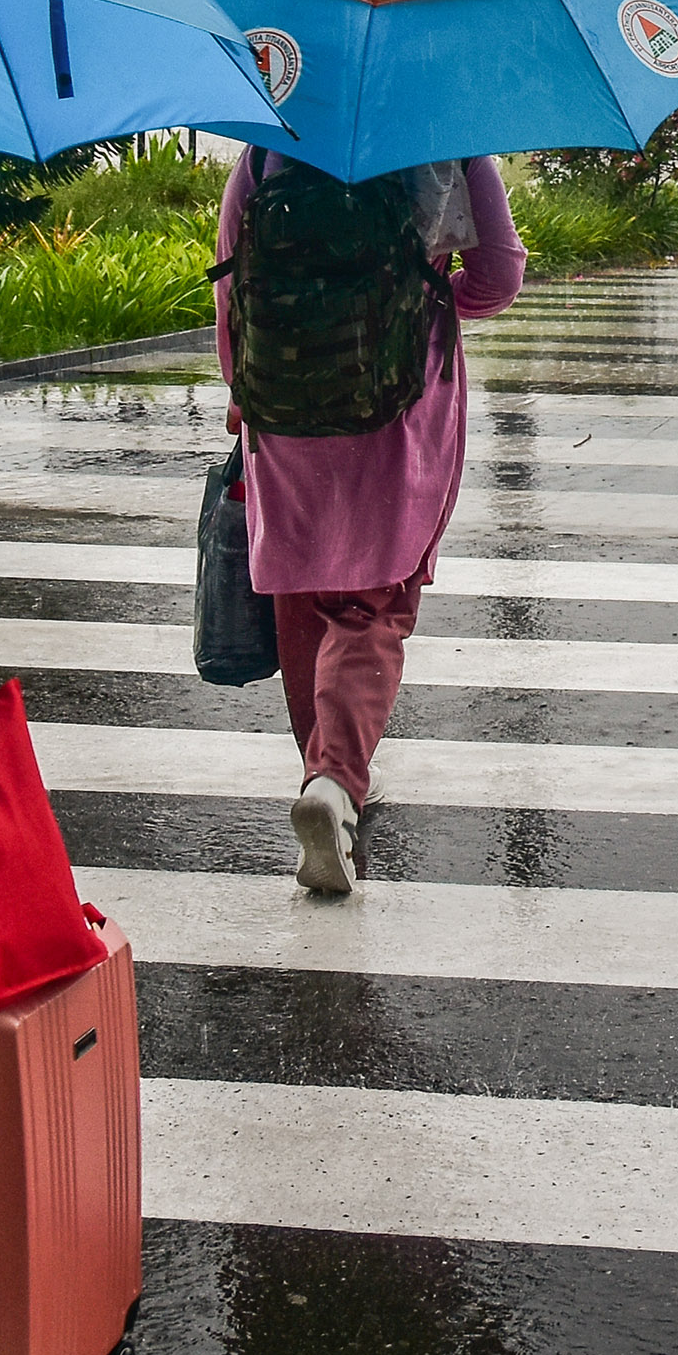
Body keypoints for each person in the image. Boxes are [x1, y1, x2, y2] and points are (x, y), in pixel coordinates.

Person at [215, 151, 526, 896]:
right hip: (399, 404)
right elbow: (498, 276)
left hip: (285, 402)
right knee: (375, 602)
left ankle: (320, 766)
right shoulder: (446, 138)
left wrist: (246, 388)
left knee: (300, 590)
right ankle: (335, 780)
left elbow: (233, 285)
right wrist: (422, 296)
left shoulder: (263, 150)